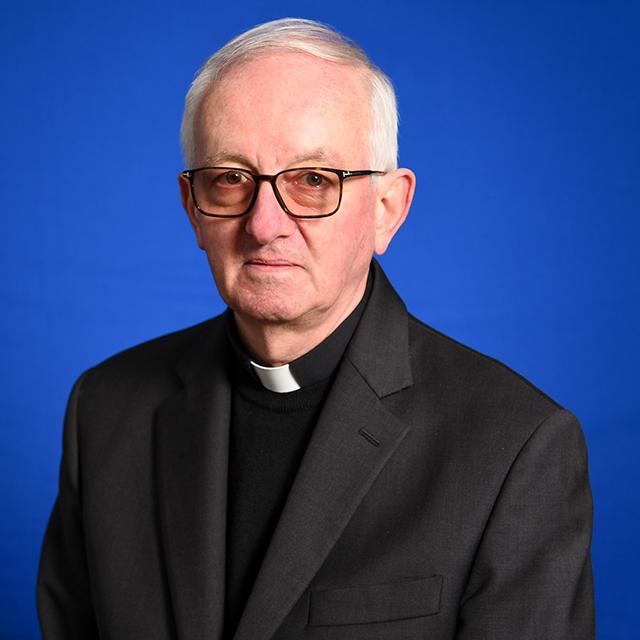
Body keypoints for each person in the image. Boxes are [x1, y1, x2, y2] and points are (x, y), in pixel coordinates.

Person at [37, 18, 595, 640]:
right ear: (193, 209)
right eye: (230, 178)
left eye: (311, 181)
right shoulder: (107, 409)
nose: (264, 224)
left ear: (389, 209)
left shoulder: (514, 445)